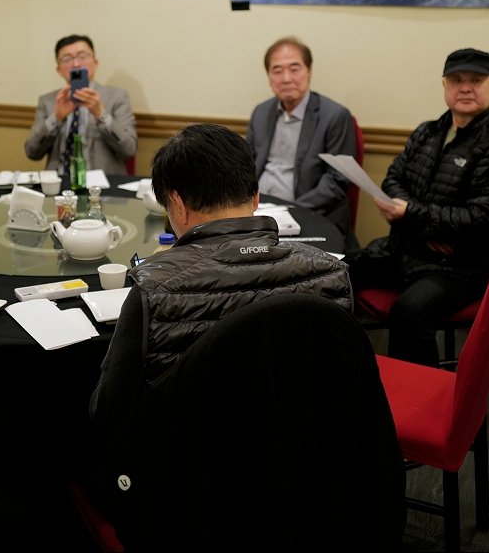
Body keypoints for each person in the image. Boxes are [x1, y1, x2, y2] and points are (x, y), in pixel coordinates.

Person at [89, 123, 352, 447]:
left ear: (177, 205)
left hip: (191, 466)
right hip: (310, 455)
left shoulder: (154, 287)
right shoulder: (331, 273)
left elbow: (108, 412)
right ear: (255, 197)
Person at [346, 49, 489, 367]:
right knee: (336, 274)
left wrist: (411, 216)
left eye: (476, 80)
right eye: (456, 80)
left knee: (409, 312)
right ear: (444, 85)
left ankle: (416, 393)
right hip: (408, 248)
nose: (465, 88)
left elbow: (483, 218)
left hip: (460, 267)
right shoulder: (426, 131)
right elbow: (393, 179)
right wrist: (422, 226)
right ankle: (343, 372)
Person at [246, 36, 357, 242]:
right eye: (277, 70)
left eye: (294, 69)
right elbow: (245, 166)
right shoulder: (261, 113)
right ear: (269, 77)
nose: (286, 78)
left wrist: (291, 209)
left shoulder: (334, 116)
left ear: (309, 71)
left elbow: (337, 181)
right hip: (258, 212)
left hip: (308, 214)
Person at [24, 34, 137, 175]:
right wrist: (56, 118)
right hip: (58, 182)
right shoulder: (48, 101)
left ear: (95, 63)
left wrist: (101, 114)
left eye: (82, 56)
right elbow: (32, 152)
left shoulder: (117, 97)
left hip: (102, 183)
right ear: (58, 69)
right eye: (67, 59)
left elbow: (129, 150)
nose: (76, 64)